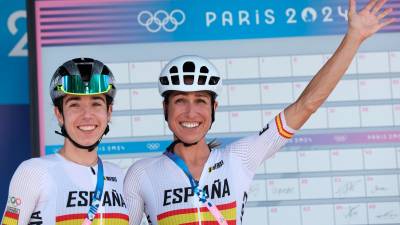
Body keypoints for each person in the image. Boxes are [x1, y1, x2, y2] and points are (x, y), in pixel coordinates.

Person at [124, 0, 395, 224]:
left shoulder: (240, 157)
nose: (190, 112)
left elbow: (307, 105)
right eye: (180, 100)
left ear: (214, 108)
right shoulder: (142, 174)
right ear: (165, 109)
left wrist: (353, 38)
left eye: (201, 101)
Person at [1, 58, 129, 225]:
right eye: (75, 105)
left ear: (109, 112)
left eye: (96, 104)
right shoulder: (33, 172)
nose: (87, 115)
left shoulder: (119, 176)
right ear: (59, 114)